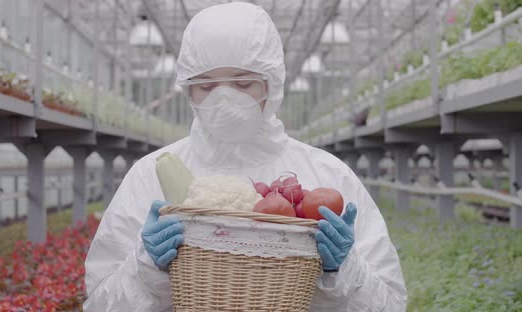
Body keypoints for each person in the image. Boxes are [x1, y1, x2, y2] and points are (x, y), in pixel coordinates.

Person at [83, 2, 407, 311]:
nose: (224, 99)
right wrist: (145, 267)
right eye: (206, 86)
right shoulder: (150, 175)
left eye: (243, 83)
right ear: (188, 91)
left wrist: (343, 270)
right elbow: (100, 303)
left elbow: (391, 304)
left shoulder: (326, 175)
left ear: (272, 85)